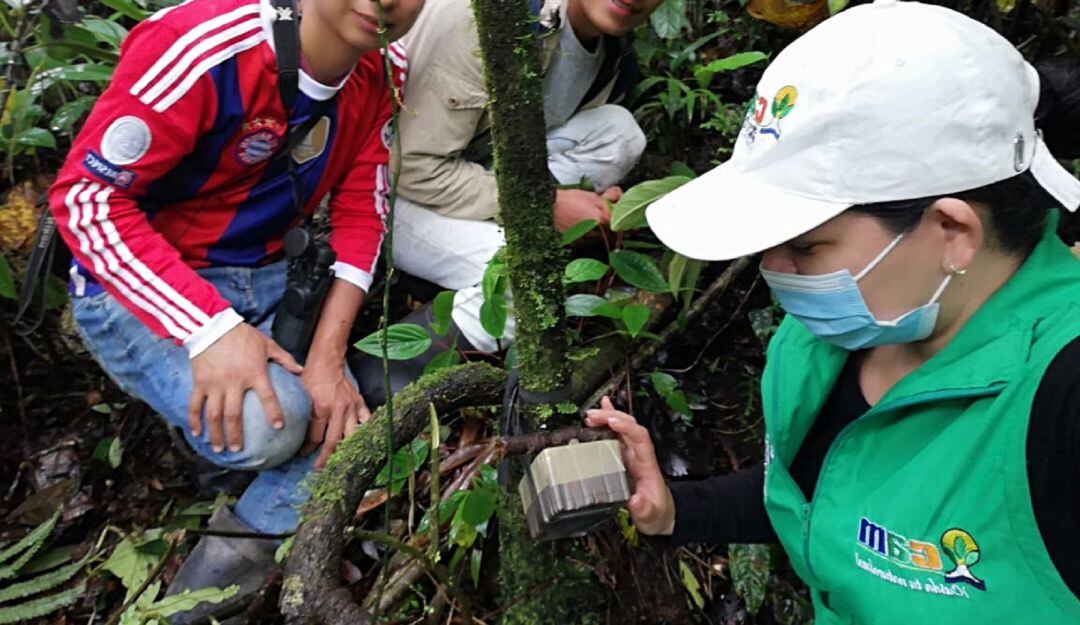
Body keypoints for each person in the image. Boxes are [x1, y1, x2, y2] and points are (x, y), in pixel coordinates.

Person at [586, 1, 1080, 623]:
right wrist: (679, 509)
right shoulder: (836, 335)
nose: (775, 271)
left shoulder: (1061, 394)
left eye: (806, 245)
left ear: (953, 230)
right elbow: (833, 494)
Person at [48, 0, 421, 618]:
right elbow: (87, 201)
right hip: (138, 282)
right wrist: (211, 329)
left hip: (269, 276)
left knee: (346, 426)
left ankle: (204, 592)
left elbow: (363, 208)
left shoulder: (385, 66)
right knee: (274, 427)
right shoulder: (206, 45)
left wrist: (329, 358)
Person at [349, 0, 661, 403]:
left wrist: (592, 202)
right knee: (520, 278)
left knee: (621, 133)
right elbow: (410, 168)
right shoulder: (494, 20)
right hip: (380, 193)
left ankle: (477, 254)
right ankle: (380, 380)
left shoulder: (611, 47)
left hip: (471, 171)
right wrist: (545, 206)